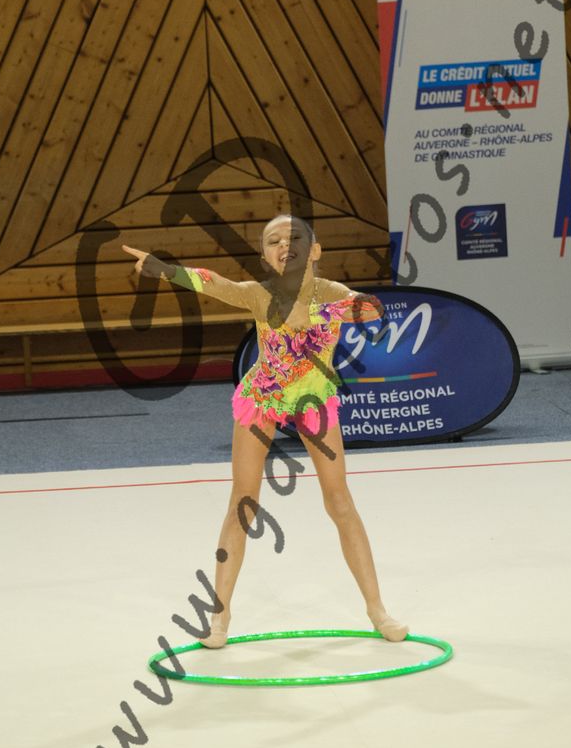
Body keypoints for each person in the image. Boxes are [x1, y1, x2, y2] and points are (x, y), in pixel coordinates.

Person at [121, 214, 408, 648]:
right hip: (263, 398)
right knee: (244, 503)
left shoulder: (331, 291)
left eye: (295, 238)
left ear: (315, 250)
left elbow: (370, 309)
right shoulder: (259, 295)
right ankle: (219, 616)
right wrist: (165, 270)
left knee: (339, 501)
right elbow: (215, 283)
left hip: (314, 401)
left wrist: (320, 310)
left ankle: (377, 609)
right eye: (273, 241)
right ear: (265, 257)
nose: (284, 245)